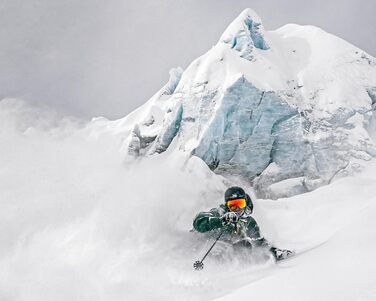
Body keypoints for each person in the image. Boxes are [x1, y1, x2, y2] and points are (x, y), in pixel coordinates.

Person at [193, 186, 294, 261]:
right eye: (232, 206)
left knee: (245, 245)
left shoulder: (249, 222)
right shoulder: (220, 213)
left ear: (245, 204)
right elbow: (199, 222)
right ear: (227, 206)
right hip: (200, 247)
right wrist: (221, 221)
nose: (237, 209)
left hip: (225, 254)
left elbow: (259, 242)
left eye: (240, 204)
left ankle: (240, 271)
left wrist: (274, 252)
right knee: (225, 247)